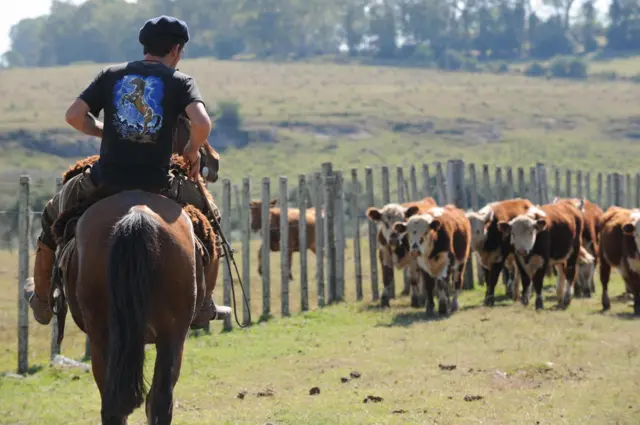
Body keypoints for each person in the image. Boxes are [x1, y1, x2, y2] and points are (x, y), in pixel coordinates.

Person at [23, 15, 231, 330]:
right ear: (176, 49)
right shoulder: (180, 81)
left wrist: (105, 131)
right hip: (159, 183)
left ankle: (42, 298)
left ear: (145, 46)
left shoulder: (111, 75)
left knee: (52, 214)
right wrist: (191, 150)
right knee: (210, 220)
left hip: (105, 180)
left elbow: (74, 116)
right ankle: (203, 304)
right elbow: (202, 124)